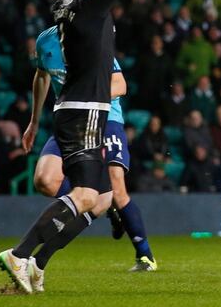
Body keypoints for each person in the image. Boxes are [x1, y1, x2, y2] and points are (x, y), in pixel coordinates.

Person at [0, 0, 164, 294]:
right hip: (87, 110)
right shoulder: (90, 3)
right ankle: (20, 253)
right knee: (87, 193)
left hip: (73, 108)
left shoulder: (64, 0)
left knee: (103, 201)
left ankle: (37, 263)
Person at [24, 24, 156, 272]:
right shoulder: (45, 41)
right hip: (71, 122)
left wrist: (87, 96)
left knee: (117, 188)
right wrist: (33, 121)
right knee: (45, 180)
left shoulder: (92, 38)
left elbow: (120, 85)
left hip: (106, 118)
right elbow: (41, 76)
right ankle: (92, 203)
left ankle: (145, 255)